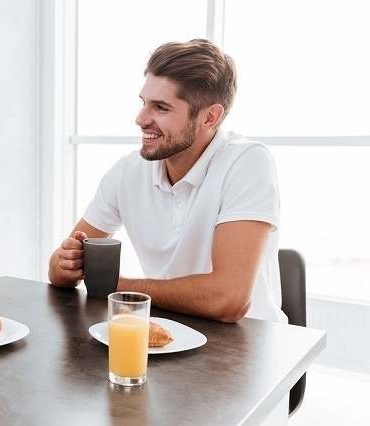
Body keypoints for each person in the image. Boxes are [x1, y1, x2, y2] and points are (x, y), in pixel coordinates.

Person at [49, 39, 285, 323]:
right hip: (167, 335)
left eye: (160, 108)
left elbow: (229, 300)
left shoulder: (247, 162)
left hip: (248, 349)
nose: (140, 119)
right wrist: (67, 265)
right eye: (143, 103)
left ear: (210, 117)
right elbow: (56, 268)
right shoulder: (127, 171)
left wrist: (115, 286)